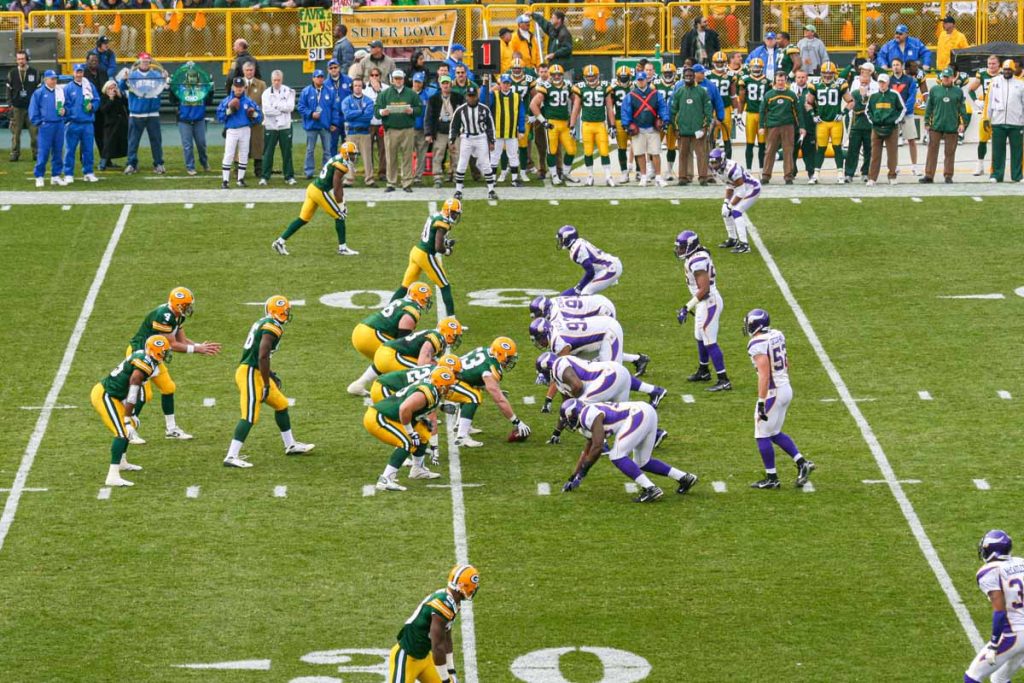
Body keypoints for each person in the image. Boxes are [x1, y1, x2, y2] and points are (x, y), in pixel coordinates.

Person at [224, 295, 314, 468]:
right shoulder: (272, 326)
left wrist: (269, 374)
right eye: (284, 311)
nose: (287, 314)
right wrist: (266, 383)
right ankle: (231, 456)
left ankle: (290, 445)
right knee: (250, 416)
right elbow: (262, 355)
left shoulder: (265, 322)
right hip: (251, 372)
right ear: (276, 312)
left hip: (257, 370)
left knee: (281, 404)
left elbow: (261, 355)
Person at [126, 287, 220, 442]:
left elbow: (182, 340)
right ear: (178, 305)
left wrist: (199, 346)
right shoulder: (164, 316)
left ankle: (171, 429)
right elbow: (172, 345)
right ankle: (128, 428)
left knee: (168, 388)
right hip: (140, 354)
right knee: (144, 395)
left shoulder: (177, 315)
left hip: (155, 355)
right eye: (186, 305)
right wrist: (197, 350)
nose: (189, 308)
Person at [559, 398, 698, 502]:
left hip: (637, 415)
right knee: (642, 461)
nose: (568, 423)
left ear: (573, 414)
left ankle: (650, 489)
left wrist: (583, 472)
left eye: (567, 419)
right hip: (645, 412)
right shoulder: (587, 416)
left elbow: (598, 446)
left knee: (616, 455)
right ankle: (684, 478)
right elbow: (587, 451)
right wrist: (574, 477)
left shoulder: (587, 416)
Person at [743, 308, 815, 489]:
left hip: (773, 392)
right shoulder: (777, 334)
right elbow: (786, 362)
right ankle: (802, 463)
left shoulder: (756, 343)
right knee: (774, 433)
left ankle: (772, 478)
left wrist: (761, 401)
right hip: (786, 388)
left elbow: (764, 374)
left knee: (761, 434)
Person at [91, 335, 170, 487]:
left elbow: (136, 392)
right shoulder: (144, 366)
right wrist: (126, 419)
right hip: (105, 395)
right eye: (163, 352)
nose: (166, 355)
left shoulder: (148, 360)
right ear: (154, 352)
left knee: (131, 424)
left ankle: (121, 461)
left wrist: (131, 417)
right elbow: (133, 390)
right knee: (122, 431)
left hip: (116, 395)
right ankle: (112, 476)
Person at [386, 565, 479, 679]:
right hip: (407, 658)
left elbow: (446, 637)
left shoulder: (453, 602)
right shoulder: (443, 604)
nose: (473, 589)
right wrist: (445, 679)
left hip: (425, 658)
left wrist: (451, 670)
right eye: (472, 586)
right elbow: (437, 646)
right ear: (461, 585)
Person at [273, 141, 359, 256]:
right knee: (340, 216)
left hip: (312, 188)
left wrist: (342, 201)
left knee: (303, 219)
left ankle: (279, 242)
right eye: (352, 154)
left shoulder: (339, 159)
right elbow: (337, 187)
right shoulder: (341, 165)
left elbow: (338, 186)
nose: (354, 157)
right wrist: (341, 204)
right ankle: (342, 248)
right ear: (345, 154)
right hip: (319, 191)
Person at [963, 530, 1024, 683]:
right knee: (999, 678)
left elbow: (1000, 611)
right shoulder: (1021, 562)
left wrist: (994, 644)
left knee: (972, 677)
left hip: (1014, 634)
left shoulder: (989, 571)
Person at [389, 198, 462, 320]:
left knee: (405, 286)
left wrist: (447, 242)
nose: (455, 216)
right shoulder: (443, 223)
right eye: (454, 213)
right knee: (445, 286)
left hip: (416, 251)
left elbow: (432, 237)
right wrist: (447, 251)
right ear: (448, 211)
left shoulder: (437, 215)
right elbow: (438, 247)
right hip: (426, 255)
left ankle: (388, 310)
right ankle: (451, 320)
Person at [675, 230, 730, 392]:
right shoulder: (698, 254)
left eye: (683, 247)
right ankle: (704, 371)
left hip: (708, 301)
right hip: (703, 302)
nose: (679, 250)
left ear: (691, 246)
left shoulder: (697, 260)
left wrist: (686, 307)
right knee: (699, 337)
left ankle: (724, 379)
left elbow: (704, 289)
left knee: (709, 340)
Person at [449, 338, 528, 448]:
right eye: (509, 357)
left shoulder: (487, 351)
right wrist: (517, 422)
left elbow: (473, 377)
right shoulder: (490, 368)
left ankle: (461, 425)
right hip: (447, 382)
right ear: (500, 354)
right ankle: (462, 437)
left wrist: (494, 389)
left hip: (453, 376)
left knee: (472, 389)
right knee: (473, 397)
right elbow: (499, 399)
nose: (510, 360)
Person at [351, 284, 431, 366]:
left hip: (361, 330)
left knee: (385, 361)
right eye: (426, 298)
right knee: (401, 359)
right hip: (371, 335)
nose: (427, 301)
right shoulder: (413, 310)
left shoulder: (400, 301)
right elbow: (403, 339)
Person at [118, 52, 168, 175]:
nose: (145, 63)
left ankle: (159, 164)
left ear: (150, 62)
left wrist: (165, 78)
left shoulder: (156, 75)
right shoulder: (132, 75)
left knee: (156, 141)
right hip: (136, 113)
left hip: (152, 113)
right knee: (133, 141)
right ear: (139, 62)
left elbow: (165, 88)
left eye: (147, 61)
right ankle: (131, 164)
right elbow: (122, 87)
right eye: (143, 61)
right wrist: (124, 80)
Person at [375, 69, 422, 193]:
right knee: (390, 157)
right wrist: (382, 112)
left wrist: (412, 110)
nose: (398, 81)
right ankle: (391, 182)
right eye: (396, 78)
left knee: (407, 157)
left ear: (404, 79)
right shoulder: (384, 94)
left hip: (407, 129)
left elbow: (420, 109)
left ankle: (406, 182)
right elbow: (376, 110)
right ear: (392, 79)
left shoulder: (411, 94)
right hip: (391, 129)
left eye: (400, 78)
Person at [531, 64, 578, 186]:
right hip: (552, 123)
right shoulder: (545, 86)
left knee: (571, 150)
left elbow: (576, 101)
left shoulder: (567, 85)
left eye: (559, 74)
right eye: (554, 75)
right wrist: (543, 121)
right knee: (551, 151)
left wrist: (572, 120)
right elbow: (533, 104)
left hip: (565, 123)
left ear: (562, 75)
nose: (556, 76)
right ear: (550, 76)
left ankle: (565, 173)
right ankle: (554, 174)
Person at [621, 70, 669, 187]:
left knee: (656, 153)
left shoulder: (655, 93)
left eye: (643, 80)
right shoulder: (631, 96)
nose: (641, 82)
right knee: (640, 153)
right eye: (639, 80)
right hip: (638, 128)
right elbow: (625, 111)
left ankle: (658, 177)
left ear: (646, 80)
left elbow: (662, 107)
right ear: (636, 81)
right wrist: (627, 124)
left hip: (652, 127)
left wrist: (665, 119)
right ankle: (643, 176)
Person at [450, 85, 498, 200]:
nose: (471, 98)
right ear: (466, 96)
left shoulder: (484, 109)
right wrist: (452, 140)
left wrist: (492, 141)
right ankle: (458, 190)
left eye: (473, 96)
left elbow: (490, 126)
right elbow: (454, 126)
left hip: (481, 137)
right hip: (466, 138)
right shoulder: (461, 110)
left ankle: (491, 190)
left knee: (486, 163)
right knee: (462, 163)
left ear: (477, 96)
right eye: (470, 96)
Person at [920, 67, 967, 184]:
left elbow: (962, 108)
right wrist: (926, 122)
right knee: (932, 151)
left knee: (950, 152)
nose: (945, 79)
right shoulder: (935, 90)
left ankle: (948, 175)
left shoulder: (958, 91)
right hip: (936, 125)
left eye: (947, 77)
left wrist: (962, 123)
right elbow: (929, 107)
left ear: (952, 78)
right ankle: (929, 175)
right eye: (944, 77)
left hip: (952, 126)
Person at [709, 148, 760, 253]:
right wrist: (726, 202)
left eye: (715, 162)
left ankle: (744, 245)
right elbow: (729, 185)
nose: (714, 165)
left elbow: (741, 191)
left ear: (722, 160)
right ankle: (733, 239)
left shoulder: (732, 169)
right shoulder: (719, 170)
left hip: (752, 188)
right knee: (725, 212)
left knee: (736, 211)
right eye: (712, 162)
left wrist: (730, 205)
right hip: (740, 188)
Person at [671, 65, 714, 186]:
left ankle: (703, 177)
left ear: (694, 77)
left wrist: (705, 126)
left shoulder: (702, 92)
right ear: (683, 77)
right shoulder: (679, 92)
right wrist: (676, 128)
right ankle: (682, 177)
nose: (688, 78)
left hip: (698, 130)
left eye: (690, 76)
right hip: (683, 130)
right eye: (686, 76)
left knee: (702, 155)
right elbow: (673, 111)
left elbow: (708, 111)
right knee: (683, 155)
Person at [217, 76, 263, 188]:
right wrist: (229, 111)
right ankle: (225, 181)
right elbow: (220, 116)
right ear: (233, 87)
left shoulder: (249, 101)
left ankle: (240, 179)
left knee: (243, 154)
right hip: (232, 130)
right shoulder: (227, 101)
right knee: (229, 154)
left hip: (245, 129)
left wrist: (253, 114)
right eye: (236, 87)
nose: (238, 89)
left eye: (240, 87)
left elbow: (259, 116)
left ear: (244, 88)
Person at [554, 224, 624, 297]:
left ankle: (601, 307)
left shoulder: (576, 249)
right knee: (581, 290)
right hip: (606, 266)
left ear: (568, 239)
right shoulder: (578, 243)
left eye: (561, 239)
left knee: (585, 292)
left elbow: (590, 272)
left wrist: (579, 287)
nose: (560, 241)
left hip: (610, 268)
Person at [759, 72, 804, 184]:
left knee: (788, 151)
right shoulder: (769, 95)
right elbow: (762, 111)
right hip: (772, 126)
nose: (780, 82)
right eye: (778, 80)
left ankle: (788, 176)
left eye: (782, 80)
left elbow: (798, 112)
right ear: (775, 81)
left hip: (788, 126)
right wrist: (761, 126)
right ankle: (766, 176)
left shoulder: (791, 95)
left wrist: (802, 127)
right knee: (770, 151)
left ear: (786, 81)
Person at [986, 59, 1024, 183]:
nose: (1007, 72)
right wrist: (987, 118)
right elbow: (989, 101)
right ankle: (996, 175)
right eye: (1005, 69)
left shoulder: (1021, 84)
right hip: (998, 122)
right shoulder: (994, 82)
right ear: (1002, 70)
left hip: (1016, 123)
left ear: (1013, 70)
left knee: (1017, 152)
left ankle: (1017, 176)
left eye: (1009, 70)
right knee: (997, 151)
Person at [61, 63, 99, 184]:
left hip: (87, 123)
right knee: (70, 150)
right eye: (77, 72)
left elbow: (97, 100)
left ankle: (88, 172)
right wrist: (71, 114)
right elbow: (63, 105)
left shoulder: (89, 86)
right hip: (73, 123)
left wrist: (92, 106)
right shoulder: (67, 88)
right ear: (73, 73)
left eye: (81, 72)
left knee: (88, 150)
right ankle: (68, 173)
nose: (79, 74)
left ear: (83, 72)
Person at [865, 73, 905, 186]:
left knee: (892, 154)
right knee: (875, 154)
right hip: (876, 128)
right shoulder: (873, 96)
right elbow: (868, 111)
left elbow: (902, 109)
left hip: (891, 128)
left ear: (888, 83)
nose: (882, 84)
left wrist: (893, 121)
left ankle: (892, 176)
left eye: (884, 82)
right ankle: (872, 178)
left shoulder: (895, 94)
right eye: (880, 82)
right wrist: (873, 121)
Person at [424, 75, 464, 188]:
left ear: (451, 84)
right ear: (440, 85)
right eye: (443, 83)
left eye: (447, 83)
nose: (445, 85)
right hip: (440, 131)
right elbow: (428, 117)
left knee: (456, 154)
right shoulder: (433, 99)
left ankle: (457, 176)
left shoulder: (458, 98)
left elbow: (464, 114)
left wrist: (463, 130)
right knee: (438, 154)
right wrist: (428, 133)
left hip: (455, 131)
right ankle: (437, 177)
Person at [811, 61, 848, 182]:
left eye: (830, 73)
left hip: (835, 122)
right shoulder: (815, 84)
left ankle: (840, 175)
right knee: (821, 148)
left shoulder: (840, 84)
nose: (827, 76)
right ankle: (816, 175)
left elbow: (851, 101)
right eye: (825, 73)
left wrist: (843, 113)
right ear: (821, 73)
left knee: (837, 148)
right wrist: (813, 114)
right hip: (822, 122)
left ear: (834, 73)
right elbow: (808, 103)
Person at [843, 63, 879, 183]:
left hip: (869, 124)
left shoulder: (875, 88)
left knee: (869, 150)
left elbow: (874, 104)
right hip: (856, 123)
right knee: (853, 150)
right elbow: (854, 104)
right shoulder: (854, 88)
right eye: (861, 79)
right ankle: (849, 173)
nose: (863, 81)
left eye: (866, 73)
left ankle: (865, 172)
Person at [28, 70, 64, 188]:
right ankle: (39, 176)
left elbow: (66, 105)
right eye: (52, 79)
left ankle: (56, 176)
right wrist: (40, 123)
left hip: (59, 124)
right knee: (43, 152)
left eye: (55, 78)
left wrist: (65, 112)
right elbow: (33, 110)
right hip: (46, 126)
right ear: (45, 80)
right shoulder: (38, 93)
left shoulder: (60, 91)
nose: (54, 81)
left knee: (58, 151)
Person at [968, 56, 1002, 176]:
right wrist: (976, 101)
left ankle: (996, 167)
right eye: (989, 63)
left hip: (1001, 111)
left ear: (999, 65)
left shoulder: (1004, 74)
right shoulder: (982, 74)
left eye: (994, 64)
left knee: (998, 141)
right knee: (982, 140)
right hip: (987, 111)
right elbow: (970, 89)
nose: (991, 66)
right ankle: (980, 166)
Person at [297, 69, 334, 180]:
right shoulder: (306, 91)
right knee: (310, 150)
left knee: (327, 150)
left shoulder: (329, 91)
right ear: (313, 78)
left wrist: (333, 123)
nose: (320, 79)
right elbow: (301, 107)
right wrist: (311, 113)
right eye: (317, 77)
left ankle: (326, 171)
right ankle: (309, 171)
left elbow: (334, 109)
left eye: (322, 77)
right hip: (311, 125)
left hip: (325, 125)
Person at [491, 74, 527, 187]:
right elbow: (483, 100)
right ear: (500, 84)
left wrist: (521, 129)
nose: (505, 85)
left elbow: (521, 114)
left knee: (513, 155)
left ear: (510, 84)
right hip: (497, 131)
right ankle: (492, 179)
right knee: (495, 155)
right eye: (504, 83)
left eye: (507, 83)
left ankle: (515, 179)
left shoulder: (516, 96)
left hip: (512, 132)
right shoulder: (494, 95)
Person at [261, 69, 296, 185]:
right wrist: (281, 109)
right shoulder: (265, 93)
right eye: (274, 80)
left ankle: (289, 176)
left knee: (287, 152)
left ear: (282, 79)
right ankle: (265, 177)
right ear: (271, 80)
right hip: (270, 126)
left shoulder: (289, 91)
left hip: (285, 126)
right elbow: (266, 110)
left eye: (278, 80)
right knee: (268, 152)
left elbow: (290, 107)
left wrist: (275, 107)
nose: (276, 82)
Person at [341, 77, 377, 186]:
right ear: (352, 87)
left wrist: (355, 114)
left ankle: (369, 179)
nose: (357, 87)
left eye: (360, 85)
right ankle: (349, 179)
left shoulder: (368, 100)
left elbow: (368, 116)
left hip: (365, 132)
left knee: (367, 157)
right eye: (355, 85)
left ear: (363, 87)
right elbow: (347, 116)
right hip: (351, 132)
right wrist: (361, 111)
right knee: (349, 156)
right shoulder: (346, 100)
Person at [888, 59, 919, 175]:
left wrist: (904, 110)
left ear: (902, 67)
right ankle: (894, 166)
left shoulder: (910, 80)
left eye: (897, 65)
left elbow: (912, 96)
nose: (895, 67)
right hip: (893, 115)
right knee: (893, 141)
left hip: (907, 113)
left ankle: (914, 166)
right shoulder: (889, 80)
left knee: (911, 140)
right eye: (894, 65)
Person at [7, 50, 38, 163]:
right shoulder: (12, 73)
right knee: (16, 133)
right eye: (19, 59)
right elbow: (8, 90)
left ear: (27, 59)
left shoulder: (34, 72)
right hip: (17, 108)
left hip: (32, 108)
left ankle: (36, 153)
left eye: (23, 59)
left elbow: (38, 90)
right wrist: (10, 105)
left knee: (34, 133)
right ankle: (15, 153)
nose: (21, 61)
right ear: (16, 60)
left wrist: (38, 106)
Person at [176, 69, 209, 177]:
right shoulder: (180, 88)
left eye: (194, 76)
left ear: (198, 77)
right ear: (186, 77)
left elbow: (209, 101)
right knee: (187, 146)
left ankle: (204, 162)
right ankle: (190, 167)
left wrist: (211, 90)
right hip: (184, 120)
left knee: (201, 144)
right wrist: (172, 90)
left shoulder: (203, 88)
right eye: (190, 76)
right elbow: (173, 100)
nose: (192, 78)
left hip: (199, 120)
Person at [739, 58, 769, 170]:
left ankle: (762, 168)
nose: (756, 69)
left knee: (762, 144)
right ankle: (749, 169)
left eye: (758, 67)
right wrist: (739, 114)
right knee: (749, 144)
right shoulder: (745, 80)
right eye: (754, 67)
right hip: (750, 114)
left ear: (762, 68)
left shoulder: (768, 81)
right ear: (750, 68)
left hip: (763, 115)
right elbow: (742, 99)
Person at [707, 52, 738, 160]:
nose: (720, 64)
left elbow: (733, 95)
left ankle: (728, 162)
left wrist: (737, 112)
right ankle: (711, 161)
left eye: (722, 62)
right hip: (712, 109)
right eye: (718, 62)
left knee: (727, 137)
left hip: (725, 108)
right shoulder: (707, 75)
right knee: (712, 136)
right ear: (713, 62)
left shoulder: (731, 76)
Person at [240, 62, 267, 179]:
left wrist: (256, 113)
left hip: (256, 120)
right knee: (240, 146)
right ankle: (239, 170)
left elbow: (265, 103)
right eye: (247, 70)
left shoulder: (261, 84)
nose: (249, 72)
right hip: (241, 120)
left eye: (251, 70)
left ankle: (259, 169)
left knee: (258, 144)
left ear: (254, 71)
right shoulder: (237, 83)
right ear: (243, 71)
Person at [791, 69, 817, 183]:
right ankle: (791, 171)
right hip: (793, 126)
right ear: (795, 78)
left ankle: (811, 172)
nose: (801, 79)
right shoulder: (790, 90)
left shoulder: (812, 90)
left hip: (809, 124)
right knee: (792, 150)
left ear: (807, 78)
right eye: (798, 77)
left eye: (803, 77)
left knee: (809, 151)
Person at [98, 80, 128, 171]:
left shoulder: (119, 96)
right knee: (108, 144)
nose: (112, 90)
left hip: (121, 123)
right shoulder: (104, 97)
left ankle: (131, 162)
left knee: (125, 143)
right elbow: (103, 110)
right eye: (110, 88)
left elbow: (126, 105)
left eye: (114, 87)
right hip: (110, 125)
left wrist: (121, 96)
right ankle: (103, 163)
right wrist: (110, 99)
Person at [325, 59, 352, 156]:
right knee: (333, 144)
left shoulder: (348, 80)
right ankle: (334, 165)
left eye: (335, 67)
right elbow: (324, 105)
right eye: (331, 68)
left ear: (339, 68)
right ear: (328, 70)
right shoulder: (325, 84)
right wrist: (329, 122)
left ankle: (348, 166)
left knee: (348, 144)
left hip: (347, 118)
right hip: (334, 120)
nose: (333, 69)